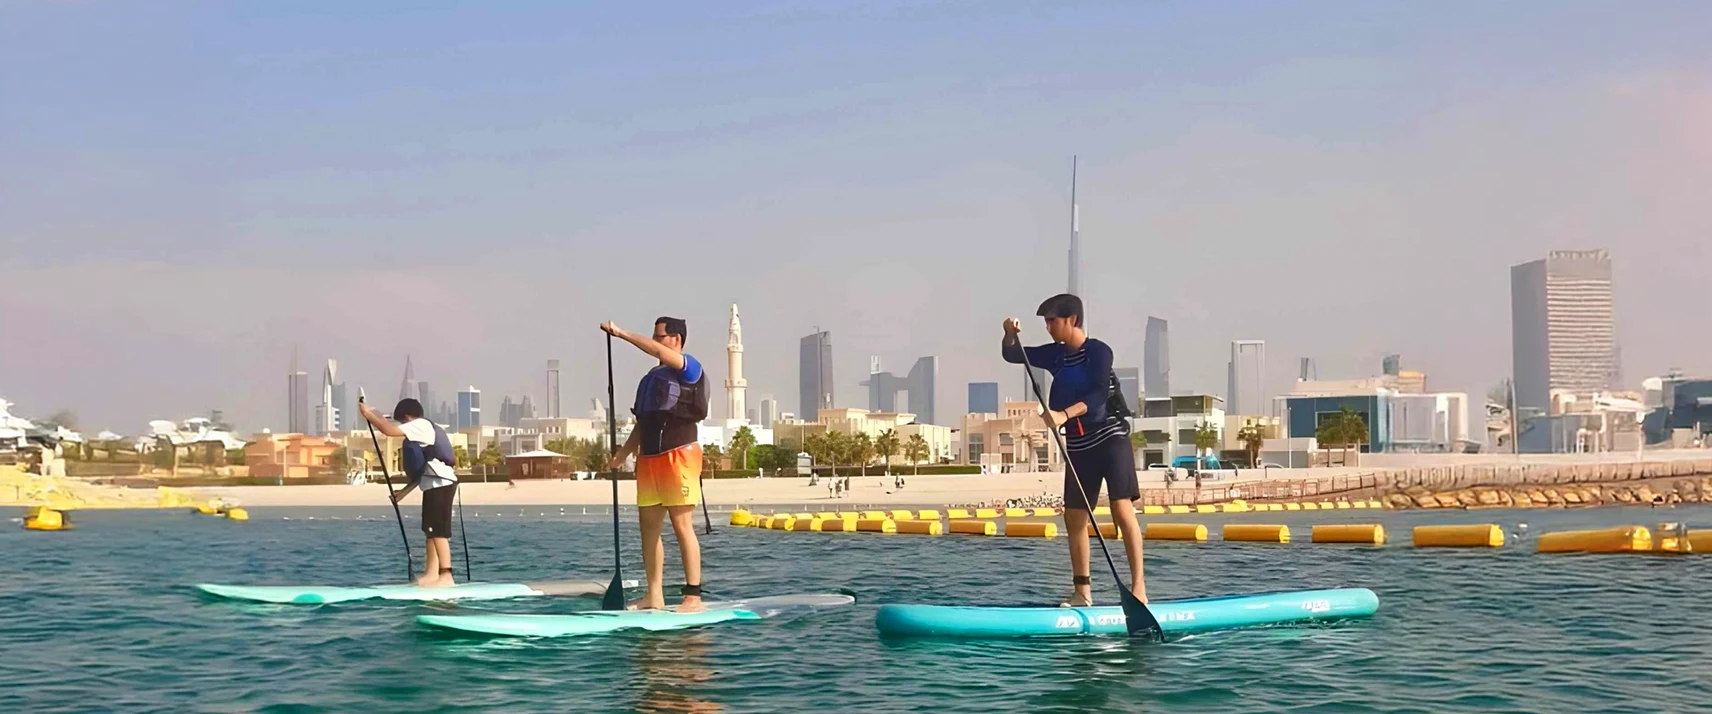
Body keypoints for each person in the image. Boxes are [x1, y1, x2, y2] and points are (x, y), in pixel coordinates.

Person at [1003, 293, 1148, 607]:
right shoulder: (1056, 356)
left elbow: (1096, 396)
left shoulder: (1098, 351)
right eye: (1045, 322)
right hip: (1079, 444)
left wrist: (1062, 415)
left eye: (1052, 321)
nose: (1048, 327)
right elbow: (1014, 356)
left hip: (1111, 436)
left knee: (1121, 508)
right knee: (1074, 517)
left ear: (1073, 320)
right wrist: (1008, 333)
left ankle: (1139, 589)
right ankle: (1082, 593)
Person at [603, 317, 707, 612]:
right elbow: (643, 424)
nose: (655, 341)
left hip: (680, 454)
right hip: (649, 458)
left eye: (659, 336)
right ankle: (654, 595)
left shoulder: (690, 368)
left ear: (676, 339)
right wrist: (622, 455)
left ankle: (693, 597)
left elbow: (660, 354)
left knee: (681, 524)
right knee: (648, 528)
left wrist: (621, 333)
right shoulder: (653, 378)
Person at [357, 396, 458, 588]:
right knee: (430, 531)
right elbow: (422, 472)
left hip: (442, 484)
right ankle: (431, 573)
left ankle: (446, 575)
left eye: (402, 422)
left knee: (438, 531)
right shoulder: (422, 430)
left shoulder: (419, 424)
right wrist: (402, 493)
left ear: (409, 417)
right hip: (433, 484)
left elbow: (388, 430)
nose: (403, 427)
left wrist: (368, 414)